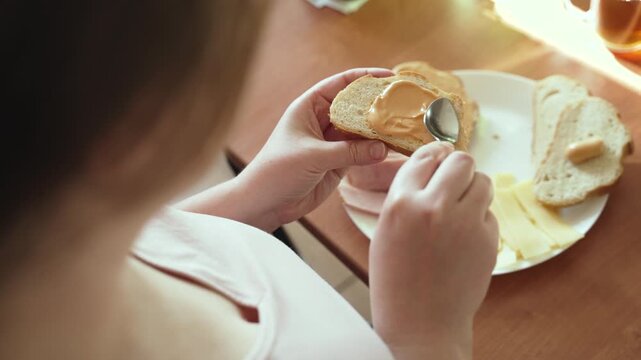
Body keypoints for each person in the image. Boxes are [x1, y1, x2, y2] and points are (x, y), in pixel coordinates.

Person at [0, 1, 498, 359]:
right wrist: (429, 337)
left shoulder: (58, 247)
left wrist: (250, 200)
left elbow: (153, 247)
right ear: (144, 126)